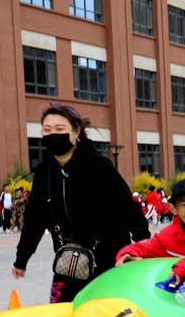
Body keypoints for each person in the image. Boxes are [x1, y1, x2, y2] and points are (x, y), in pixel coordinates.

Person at [12, 102, 150, 303]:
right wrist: (21, 259)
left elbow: (127, 208)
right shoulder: (44, 173)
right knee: (64, 314)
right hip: (69, 263)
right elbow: (34, 219)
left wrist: (144, 247)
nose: (53, 135)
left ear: (76, 132)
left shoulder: (98, 165)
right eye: (47, 129)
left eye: (60, 129)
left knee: (108, 315)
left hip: (109, 260)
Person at [116, 179, 185, 264]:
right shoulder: (166, 238)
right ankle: (155, 223)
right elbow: (138, 248)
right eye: (184, 205)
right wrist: (127, 255)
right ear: (173, 209)